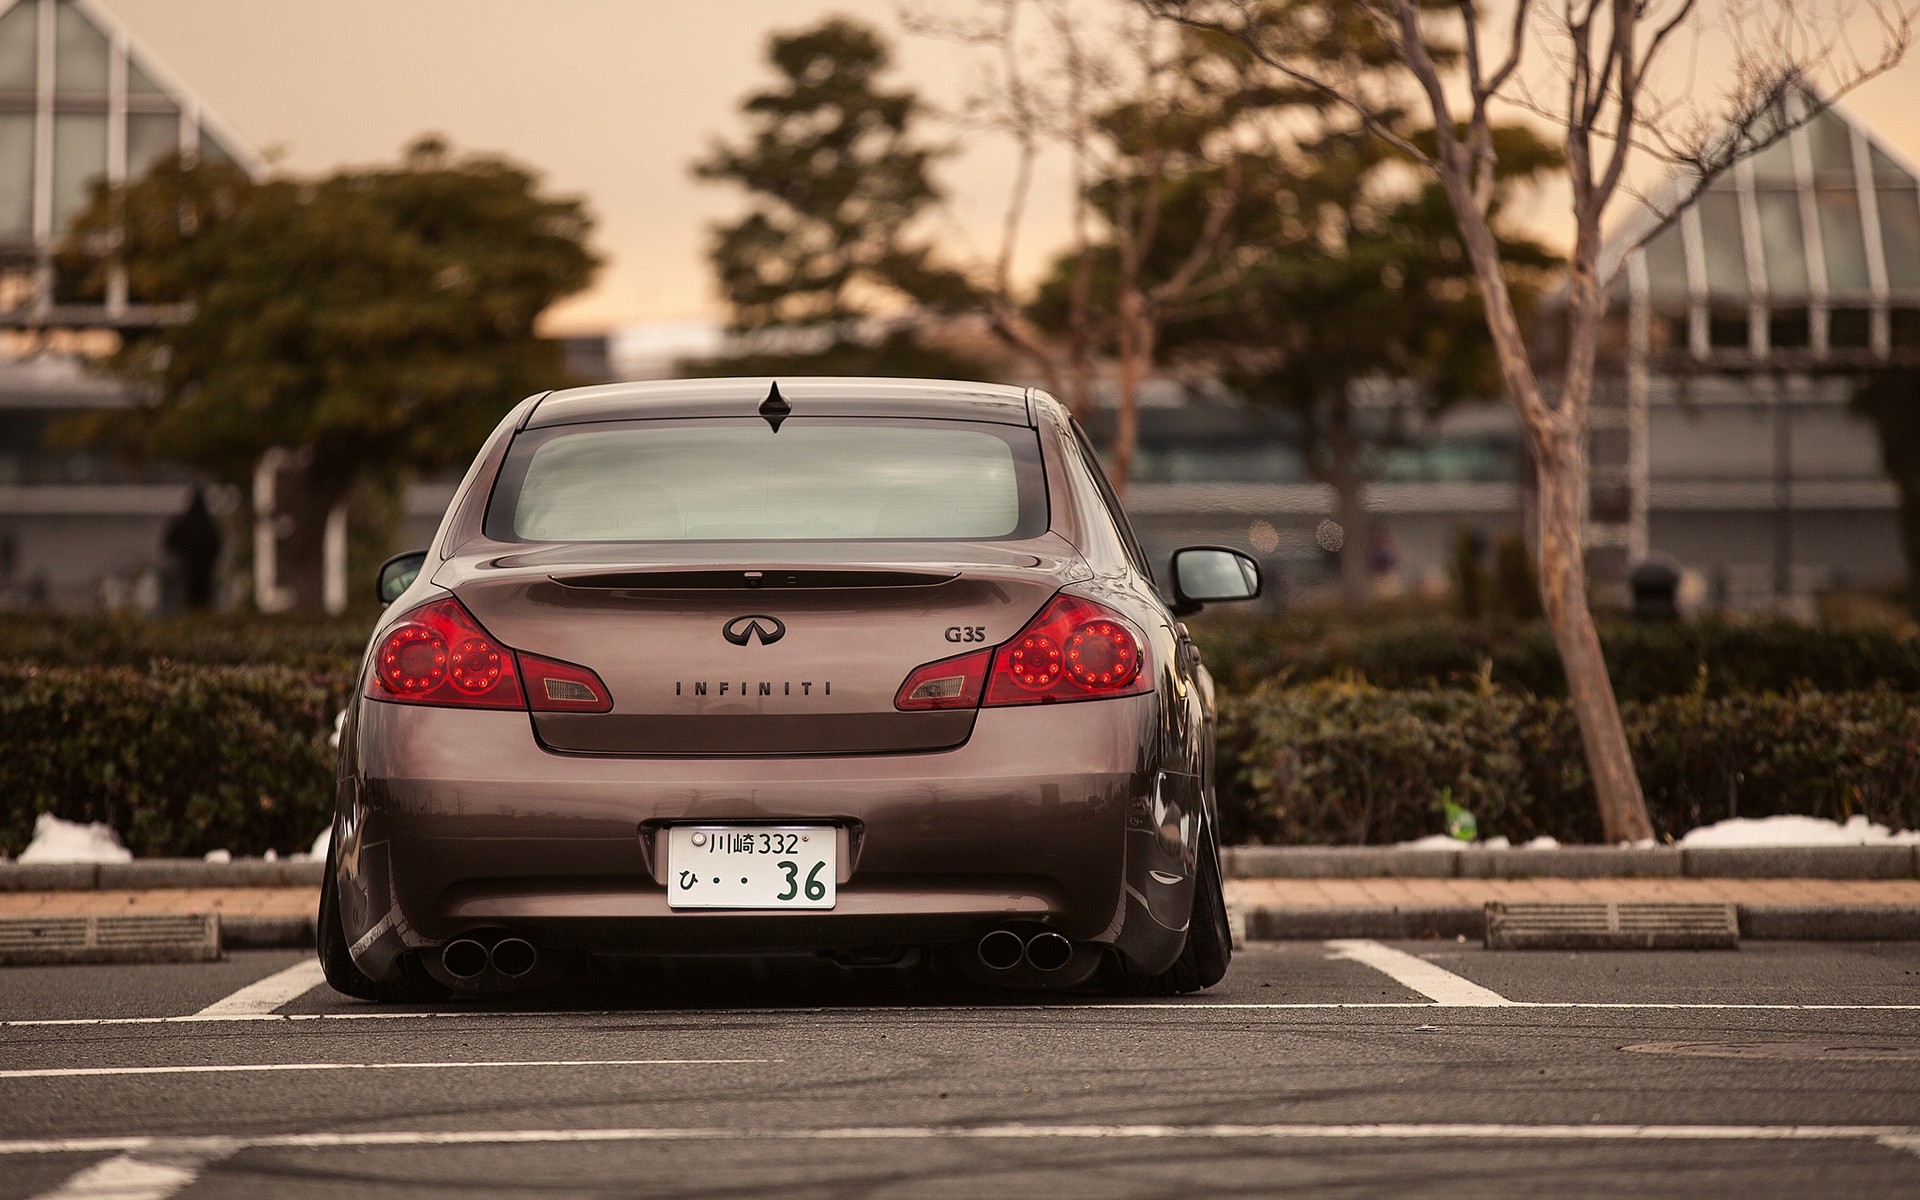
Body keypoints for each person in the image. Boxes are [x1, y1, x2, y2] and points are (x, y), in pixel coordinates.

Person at [163, 486, 222, 610]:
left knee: (186, 603)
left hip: (186, 569)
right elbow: (217, 546)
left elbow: (169, 543)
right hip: (204, 570)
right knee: (204, 603)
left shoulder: (182, 522)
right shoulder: (208, 524)